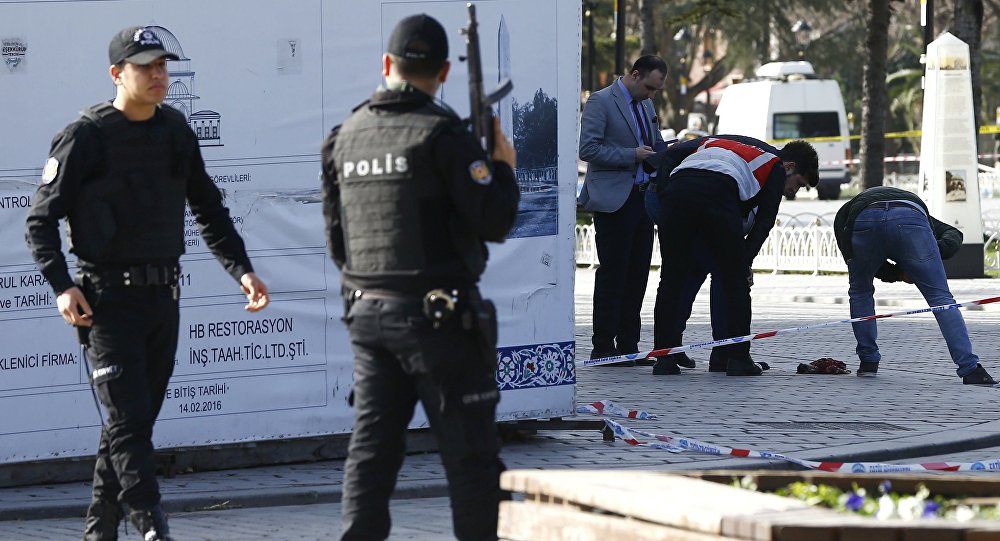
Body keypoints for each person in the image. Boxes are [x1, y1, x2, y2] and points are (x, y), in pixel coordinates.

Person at [24, 26, 270, 541]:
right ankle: (152, 525)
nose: (159, 75)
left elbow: (208, 208)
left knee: (129, 425)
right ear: (117, 74)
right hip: (106, 302)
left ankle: (100, 529)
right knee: (129, 424)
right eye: (146, 66)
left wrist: (241, 270)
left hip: (163, 299)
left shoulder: (176, 130)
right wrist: (61, 285)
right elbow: (40, 221)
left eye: (163, 66)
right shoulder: (86, 136)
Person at [320, 14, 519, 541]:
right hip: (440, 320)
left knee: (371, 454)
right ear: (444, 72)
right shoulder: (444, 136)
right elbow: (495, 221)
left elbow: (338, 243)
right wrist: (503, 167)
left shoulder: (345, 136)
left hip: (369, 314)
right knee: (471, 457)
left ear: (386, 64)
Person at [649, 135, 818, 376]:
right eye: (798, 184)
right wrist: (744, 263)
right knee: (735, 283)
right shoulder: (774, 165)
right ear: (789, 167)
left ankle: (664, 359)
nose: (793, 192)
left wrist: (665, 191)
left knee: (671, 279)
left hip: (677, 193)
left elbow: (671, 154)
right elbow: (764, 223)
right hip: (718, 193)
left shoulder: (714, 144)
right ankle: (738, 359)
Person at [833, 186, 996, 384]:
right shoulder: (921, 216)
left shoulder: (843, 215)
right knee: (941, 298)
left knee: (860, 290)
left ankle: (868, 361)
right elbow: (953, 234)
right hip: (909, 216)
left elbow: (851, 256)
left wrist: (897, 272)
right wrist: (926, 254)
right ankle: (971, 370)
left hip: (863, 218)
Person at [579, 54, 673, 367]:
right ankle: (603, 347)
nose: (651, 95)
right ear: (634, 75)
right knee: (613, 274)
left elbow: (655, 142)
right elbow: (588, 149)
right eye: (648, 87)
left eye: (655, 90)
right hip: (614, 200)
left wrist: (666, 154)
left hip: (644, 198)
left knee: (637, 274)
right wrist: (631, 154)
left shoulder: (646, 104)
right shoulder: (601, 101)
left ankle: (629, 346)